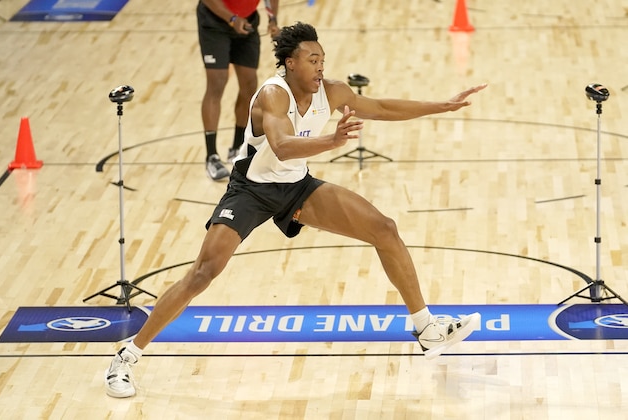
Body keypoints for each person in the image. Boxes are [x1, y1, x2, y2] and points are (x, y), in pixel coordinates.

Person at [105, 22, 487, 398]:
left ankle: (426, 327)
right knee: (204, 273)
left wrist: (443, 105)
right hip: (251, 190)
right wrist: (331, 140)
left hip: (295, 187)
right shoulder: (273, 95)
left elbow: (382, 106)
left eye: (322, 59)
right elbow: (283, 146)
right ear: (290, 63)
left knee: (383, 228)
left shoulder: (332, 90)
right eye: (313, 59)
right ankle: (126, 356)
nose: (321, 66)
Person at [198, 0, 281, 181]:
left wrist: (273, 19)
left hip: (247, 21)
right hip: (215, 22)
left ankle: (237, 148)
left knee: (250, 85)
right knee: (217, 83)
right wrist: (232, 18)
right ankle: (211, 156)